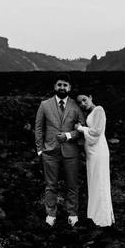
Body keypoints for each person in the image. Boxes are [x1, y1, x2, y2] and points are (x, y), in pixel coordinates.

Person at [34, 77, 87, 227]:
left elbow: (82, 128)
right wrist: (39, 150)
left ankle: (73, 214)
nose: (62, 87)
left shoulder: (76, 106)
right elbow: (38, 128)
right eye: (59, 85)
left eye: (65, 85)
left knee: (72, 185)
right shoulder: (44, 105)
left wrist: (69, 135)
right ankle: (51, 215)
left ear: (69, 88)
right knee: (51, 185)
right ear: (55, 86)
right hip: (49, 152)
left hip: (71, 152)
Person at [74, 91, 114, 227]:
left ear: (91, 97)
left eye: (84, 100)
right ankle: (95, 216)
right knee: (94, 181)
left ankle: (102, 218)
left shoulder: (99, 110)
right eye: (79, 102)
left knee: (100, 180)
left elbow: (96, 132)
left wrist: (81, 128)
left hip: (98, 150)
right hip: (92, 152)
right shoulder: (90, 114)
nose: (82, 104)